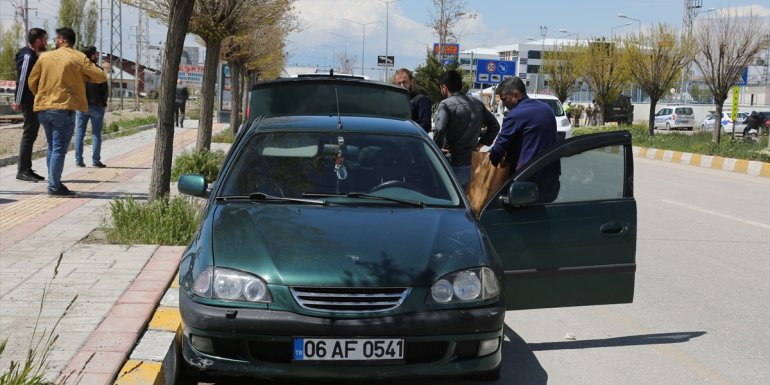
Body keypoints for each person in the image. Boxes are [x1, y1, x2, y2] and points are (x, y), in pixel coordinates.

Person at [28, 27, 107, 196]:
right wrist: (84, 76)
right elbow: (100, 76)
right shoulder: (78, 57)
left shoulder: (44, 57)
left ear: (62, 39)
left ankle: (53, 182)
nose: (55, 41)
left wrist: (41, 95)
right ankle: (54, 186)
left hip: (44, 109)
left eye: (56, 38)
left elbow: (32, 81)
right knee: (58, 149)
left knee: (52, 147)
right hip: (63, 109)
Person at [489, 77, 559, 202]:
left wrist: (484, 169)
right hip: (551, 177)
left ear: (516, 95)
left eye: (504, 99)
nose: (503, 104)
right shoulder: (547, 109)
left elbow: (499, 149)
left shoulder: (516, 114)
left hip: (526, 180)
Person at [432, 70, 500, 190]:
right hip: (472, 163)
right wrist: (480, 144)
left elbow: (440, 128)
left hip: (451, 162)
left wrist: (436, 148)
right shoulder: (477, 103)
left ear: (444, 87)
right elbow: (495, 126)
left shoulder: (445, 104)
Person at [12, 27, 48, 182]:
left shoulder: (33, 55)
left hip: (34, 100)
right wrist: (17, 100)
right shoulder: (27, 55)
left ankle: (27, 168)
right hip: (28, 101)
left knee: (32, 134)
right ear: (38, 41)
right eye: (45, 39)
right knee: (29, 134)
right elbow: (22, 79)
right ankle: (22, 170)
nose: (46, 42)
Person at [74, 46, 109, 168]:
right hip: (97, 106)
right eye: (96, 54)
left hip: (82, 106)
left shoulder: (79, 72)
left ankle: (79, 161)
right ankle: (95, 161)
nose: (97, 56)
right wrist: (103, 103)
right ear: (92, 56)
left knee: (80, 134)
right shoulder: (98, 71)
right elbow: (105, 90)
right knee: (96, 134)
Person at [394, 68, 432, 132]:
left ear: (411, 82)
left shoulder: (421, 99)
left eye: (404, 82)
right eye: (399, 83)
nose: (402, 86)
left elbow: (426, 125)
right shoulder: (393, 101)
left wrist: (407, 132)